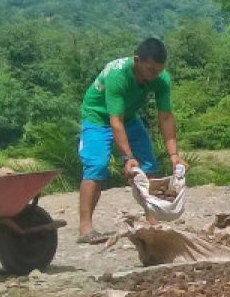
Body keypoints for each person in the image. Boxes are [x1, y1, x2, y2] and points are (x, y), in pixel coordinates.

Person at [76, 37, 186, 243]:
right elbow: (114, 121)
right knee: (96, 166)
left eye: (159, 70)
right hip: (98, 117)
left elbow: (165, 116)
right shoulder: (118, 75)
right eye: (150, 69)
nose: (155, 75)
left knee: (148, 165)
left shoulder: (161, 79)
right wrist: (127, 157)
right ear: (137, 61)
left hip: (128, 117)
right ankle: (85, 228)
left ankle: (153, 220)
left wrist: (174, 155)